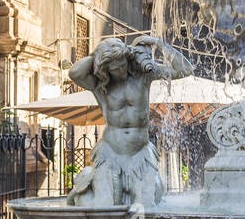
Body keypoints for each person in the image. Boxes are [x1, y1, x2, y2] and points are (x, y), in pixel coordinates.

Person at [67, 35, 193, 207]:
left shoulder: (144, 76)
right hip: (110, 153)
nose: (120, 71)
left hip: (140, 154)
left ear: (128, 59)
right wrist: (98, 54)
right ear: (105, 70)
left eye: (122, 65)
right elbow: (74, 73)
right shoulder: (100, 85)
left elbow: (185, 69)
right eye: (114, 69)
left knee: (146, 207)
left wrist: (158, 43)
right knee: (105, 205)